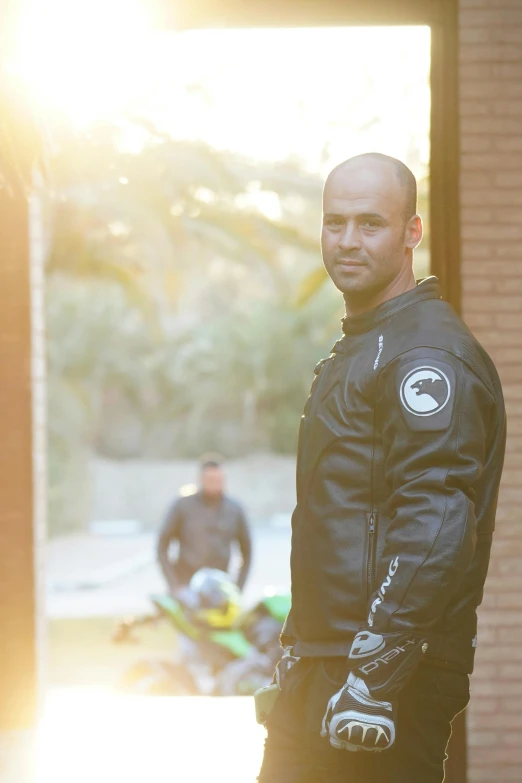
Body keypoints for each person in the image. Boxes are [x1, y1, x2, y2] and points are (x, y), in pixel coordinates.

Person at [258, 153, 506, 783]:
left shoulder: (425, 355)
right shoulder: (369, 344)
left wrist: (374, 676)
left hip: (377, 687)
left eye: (370, 224)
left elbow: (437, 520)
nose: (347, 241)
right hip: (327, 667)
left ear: (410, 233)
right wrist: (298, 653)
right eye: (334, 222)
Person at [157, 457, 252, 593]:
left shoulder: (234, 510)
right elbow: (162, 547)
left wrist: (238, 587)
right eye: (210, 479)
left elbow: (247, 552)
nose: (214, 483)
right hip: (186, 587)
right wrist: (174, 584)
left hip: (220, 589)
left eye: (218, 479)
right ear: (201, 479)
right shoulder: (182, 506)